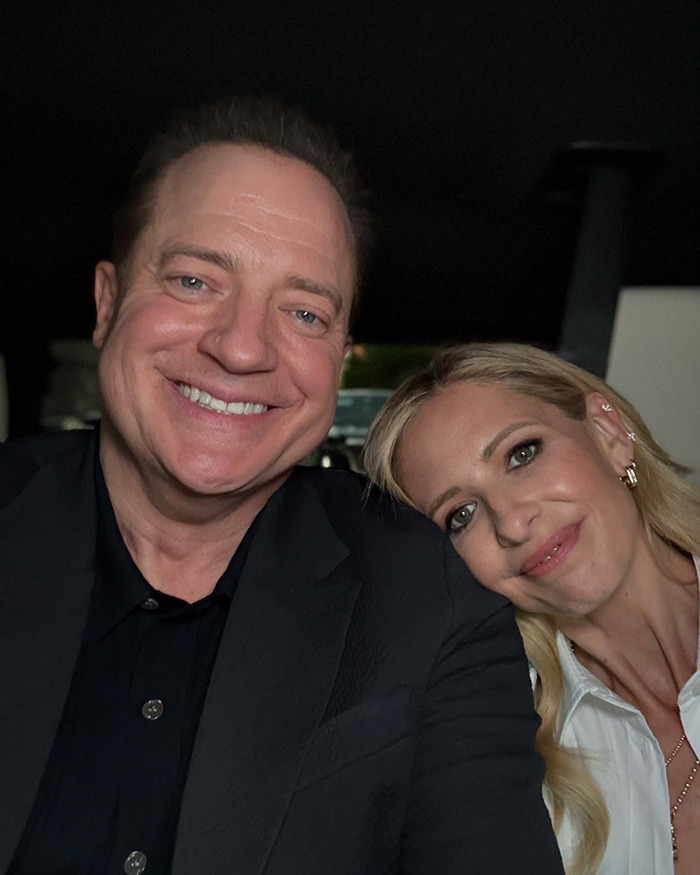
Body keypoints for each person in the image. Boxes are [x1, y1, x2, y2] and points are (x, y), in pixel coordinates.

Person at [0, 102, 563, 875]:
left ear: (338, 356)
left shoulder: (432, 605)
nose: (239, 347)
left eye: (303, 311)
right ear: (106, 303)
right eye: (195, 279)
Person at [363, 342, 700, 875]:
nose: (512, 523)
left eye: (521, 454)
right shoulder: (504, 756)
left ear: (608, 435)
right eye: (461, 515)